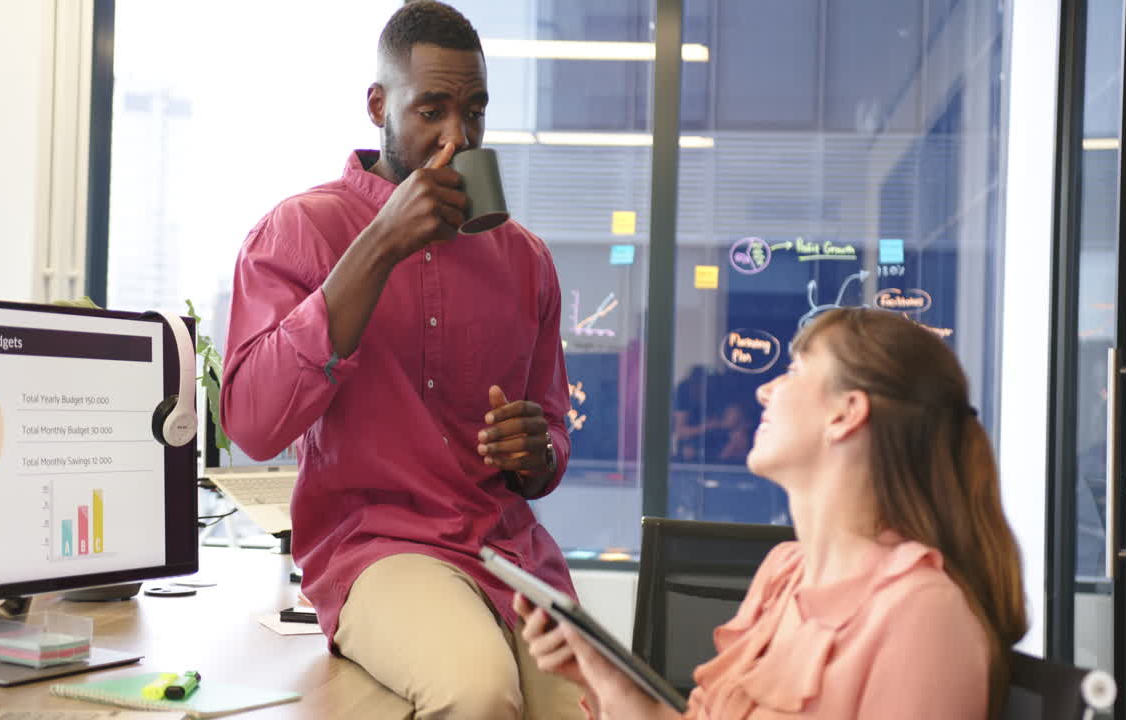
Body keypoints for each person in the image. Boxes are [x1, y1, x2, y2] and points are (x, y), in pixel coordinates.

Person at [220, 3, 582, 718]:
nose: (460, 137)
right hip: (375, 547)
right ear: (379, 107)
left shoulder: (526, 259)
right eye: (433, 111)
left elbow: (549, 445)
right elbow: (253, 428)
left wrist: (535, 453)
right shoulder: (300, 230)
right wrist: (381, 243)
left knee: (600, 701)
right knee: (476, 690)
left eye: (475, 111)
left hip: (508, 550)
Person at [518, 308, 1027, 720]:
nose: (765, 390)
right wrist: (600, 676)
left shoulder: (922, 614)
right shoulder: (783, 575)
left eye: (795, 371)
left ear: (846, 413)